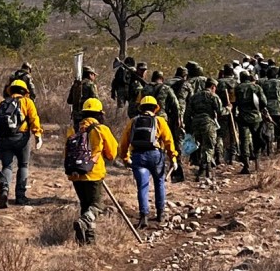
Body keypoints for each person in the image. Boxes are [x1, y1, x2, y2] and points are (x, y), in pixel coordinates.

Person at [119, 96, 178, 229]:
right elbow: (168, 141)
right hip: (155, 155)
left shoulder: (133, 121)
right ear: (155, 108)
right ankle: (160, 214)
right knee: (159, 182)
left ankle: (143, 216)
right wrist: (173, 157)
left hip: (138, 156)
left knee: (142, 186)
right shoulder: (159, 121)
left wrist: (125, 158)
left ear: (141, 108)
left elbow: (123, 142)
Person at [65, 98, 118, 245]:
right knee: (97, 206)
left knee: (85, 205)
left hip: (75, 174)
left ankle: (87, 241)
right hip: (93, 173)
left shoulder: (73, 129)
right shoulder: (101, 129)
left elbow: (67, 152)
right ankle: (83, 223)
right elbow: (112, 153)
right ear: (99, 113)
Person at [0, 79, 43, 207]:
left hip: (4, 139)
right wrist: (38, 135)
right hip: (21, 139)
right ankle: (20, 196)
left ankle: (4, 191)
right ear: (24, 91)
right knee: (23, 166)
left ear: (10, 90)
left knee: (7, 166)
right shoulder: (27, 102)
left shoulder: (2, 104)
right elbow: (34, 119)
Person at [184, 78, 223, 180]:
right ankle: (204, 171)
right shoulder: (213, 96)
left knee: (202, 146)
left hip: (196, 124)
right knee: (209, 147)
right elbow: (220, 111)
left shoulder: (194, 97)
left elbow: (187, 113)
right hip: (208, 123)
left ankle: (206, 170)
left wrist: (188, 127)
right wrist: (229, 108)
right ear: (213, 87)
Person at [233, 72, 270, 174]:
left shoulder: (237, 88)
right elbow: (264, 102)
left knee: (244, 140)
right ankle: (257, 164)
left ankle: (246, 165)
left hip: (242, 117)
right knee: (256, 139)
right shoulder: (256, 87)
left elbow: (233, 103)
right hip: (255, 117)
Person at [165, 67, 193, 182]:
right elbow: (191, 101)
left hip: (167, 116)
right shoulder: (187, 85)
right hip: (180, 118)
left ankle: (168, 165)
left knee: (166, 141)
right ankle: (178, 169)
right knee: (178, 142)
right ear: (185, 75)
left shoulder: (166, 83)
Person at [261, 66, 280, 153]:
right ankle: (279, 149)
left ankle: (269, 150)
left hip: (267, 110)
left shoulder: (264, 84)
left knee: (269, 130)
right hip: (279, 109)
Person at [215, 64, 239, 165]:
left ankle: (219, 156)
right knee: (233, 132)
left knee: (220, 134)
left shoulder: (219, 83)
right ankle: (232, 156)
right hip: (234, 110)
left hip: (222, 111)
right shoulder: (236, 83)